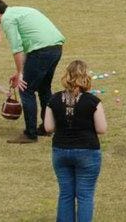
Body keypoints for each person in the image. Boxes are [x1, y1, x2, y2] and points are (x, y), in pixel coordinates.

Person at [0, 0, 65, 144]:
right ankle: (48, 127)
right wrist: (19, 71)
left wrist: (20, 74)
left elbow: (17, 49)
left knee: (26, 90)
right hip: (56, 48)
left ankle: (30, 133)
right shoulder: (21, 10)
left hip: (41, 52)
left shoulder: (7, 19)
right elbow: (31, 41)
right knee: (44, 88)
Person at [45, 59, 108, 222]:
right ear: (85, 77)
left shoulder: (54, 100)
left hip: (60, 150)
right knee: (85, 194)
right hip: (87, 151)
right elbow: (101, 129)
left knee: (66, 193)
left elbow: (48, 127)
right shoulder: (92, 101)